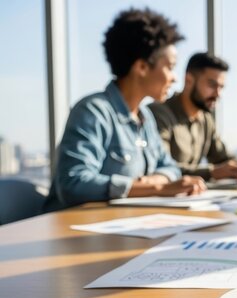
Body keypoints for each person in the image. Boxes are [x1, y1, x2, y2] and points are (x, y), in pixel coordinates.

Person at [44, 8, 206, 212]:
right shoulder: (93, 112)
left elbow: (170, 167)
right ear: (142, 67)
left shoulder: (145, 116)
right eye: (170, 67)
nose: (174, 78)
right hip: (73, 232)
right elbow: (74, 184)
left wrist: (158, 180)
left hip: (124, 224)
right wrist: (156, 187)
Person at [149, 53, 237, 181]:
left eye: (221, 87)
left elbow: (222, 156)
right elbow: (162, 167)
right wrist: (211, 172)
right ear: (189, 80)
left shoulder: (206, 119)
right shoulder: (158, 113)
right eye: (212, 85)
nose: (218, 94)